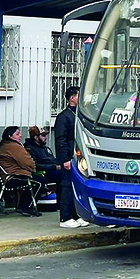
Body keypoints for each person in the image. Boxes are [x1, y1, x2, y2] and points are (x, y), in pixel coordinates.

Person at [54, 86, 89, 228]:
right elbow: (60, 139)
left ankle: (76, 215)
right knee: (67, 186)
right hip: (69, 156)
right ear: (72, 98)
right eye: (78, 95)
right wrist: (65, 159)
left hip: (79, 156)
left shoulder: (80, 114)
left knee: (77, 185)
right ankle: (65, 217)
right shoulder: (64, 117)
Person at [0, 126, 41, 216]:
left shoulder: (4, 145)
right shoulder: (14, 147)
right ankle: (26, 207)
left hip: (5, 176)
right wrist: (33, 168)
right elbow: (28, 162)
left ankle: (23, 206)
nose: (20, 136)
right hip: (12, 177)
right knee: (39, 182)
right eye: (17, 134)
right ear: (9, 136)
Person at [24, 125, 60, 193]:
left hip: (51, 170)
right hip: (43, 173)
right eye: (43, 136)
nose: (45, 138)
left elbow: (52, 159)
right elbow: (35, 165)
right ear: (36, 137)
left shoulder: (45, 148)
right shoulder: (30, 149)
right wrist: (54, 167)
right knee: (61, 175)